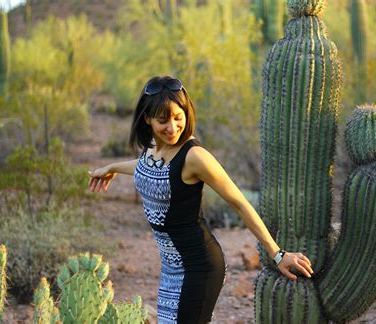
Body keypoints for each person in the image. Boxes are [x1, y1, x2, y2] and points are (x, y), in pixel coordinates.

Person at [88, 75, 314, 323]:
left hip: (200, 267)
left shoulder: (195, 157)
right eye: (163, 120)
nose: (172, 128)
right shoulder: (153, 146)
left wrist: (277, 254)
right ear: (147, 119)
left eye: (178, 117)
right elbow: (148, 167)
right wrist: (112, 167)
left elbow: (239, 202)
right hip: (171, 267)